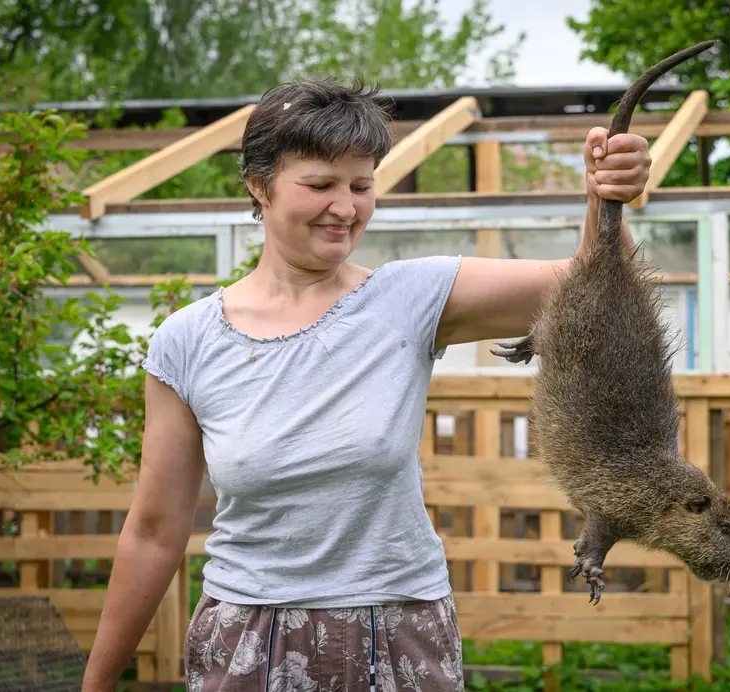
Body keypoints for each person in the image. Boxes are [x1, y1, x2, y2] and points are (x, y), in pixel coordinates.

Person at [81, 78, 650, 692]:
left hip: (398, 628)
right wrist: (97, 684)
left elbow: (589, 287)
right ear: (258, 185)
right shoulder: (188, 341)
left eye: (361, 185)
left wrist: (604, 195)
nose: (346, 208)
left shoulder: (410, 298)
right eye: (320, 185)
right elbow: (153, 532)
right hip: (249, 638)